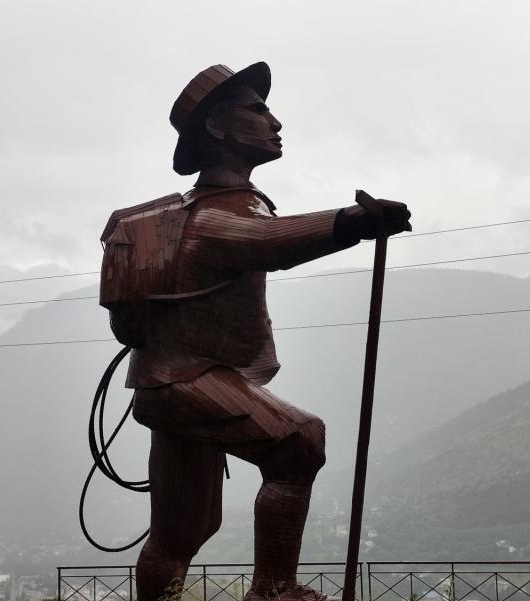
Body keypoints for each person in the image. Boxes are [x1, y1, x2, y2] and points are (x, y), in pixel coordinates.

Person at [101, 62, 411, 601]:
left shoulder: (211, 211)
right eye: (257, 109)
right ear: (218, 128)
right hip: (185, 380)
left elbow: (256, 235)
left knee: (184, 528)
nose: (275, 122)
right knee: (297, 441)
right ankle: (274, 589)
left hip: (166, 383)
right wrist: (351, 223)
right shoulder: (211, 216)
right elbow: (258, 240)